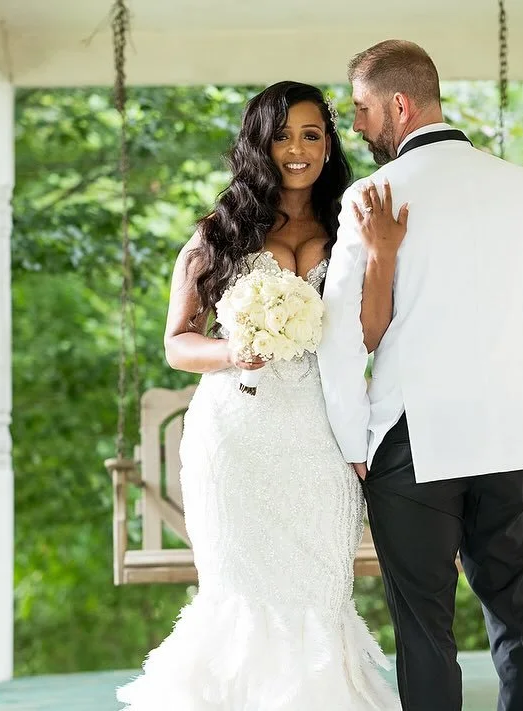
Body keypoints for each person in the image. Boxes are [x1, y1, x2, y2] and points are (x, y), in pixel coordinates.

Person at [116, 81, 399, 711]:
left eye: (311, 134)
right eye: (281, 135)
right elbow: (177, 344)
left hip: (320, 440)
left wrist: (381, 257)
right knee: (238, 597)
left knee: (319, 597)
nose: (296, 149)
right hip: (235, 440)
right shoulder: (220, 231)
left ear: (328, 143)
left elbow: (369, 334)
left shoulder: (350, 227)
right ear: (258, 144)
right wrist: (231, 352)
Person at [318, 40, 523, 711]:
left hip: (410, 440)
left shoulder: (371, 196)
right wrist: (513, 404)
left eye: (363, 109)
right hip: (508, 435)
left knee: (425, 632)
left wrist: (353, 440)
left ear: (399, 104)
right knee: (520, 623)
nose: (359, 126)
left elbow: (339, 335)